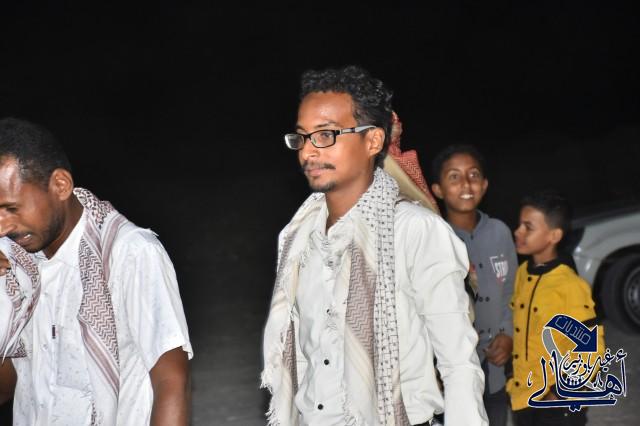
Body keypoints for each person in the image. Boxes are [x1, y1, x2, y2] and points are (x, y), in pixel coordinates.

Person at [261, 65, 487, 426]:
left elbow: (458, 363)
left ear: (373, 141)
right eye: (302, 137)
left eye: (325, 135)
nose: (308, 152)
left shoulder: (414, 231)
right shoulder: (298, 236)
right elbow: (304, 358)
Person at [0, 118, 193, 425]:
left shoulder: (129, 253)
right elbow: (7, 386)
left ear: (60, 185)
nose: (3, 226)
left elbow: (172, 382)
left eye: (12, 208)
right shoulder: (14, 264)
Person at [430, 145, 516, 426]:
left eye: (474, 175)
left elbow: (511, 292)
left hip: (495, 367)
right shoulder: (434, 239)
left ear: (485, 184)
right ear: (438, 189)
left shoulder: (500, 232)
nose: (466, 184)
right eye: (454, 177)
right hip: (452, 371)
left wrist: (507, 334)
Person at [508, 190, 605, 426]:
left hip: (555, 403)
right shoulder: (522, 273)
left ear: (554, 235)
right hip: (524, 395)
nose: (518, 232)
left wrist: (559, 394)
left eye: (528, 227)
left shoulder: (569, 285)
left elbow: (591, 348)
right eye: (519, 225)